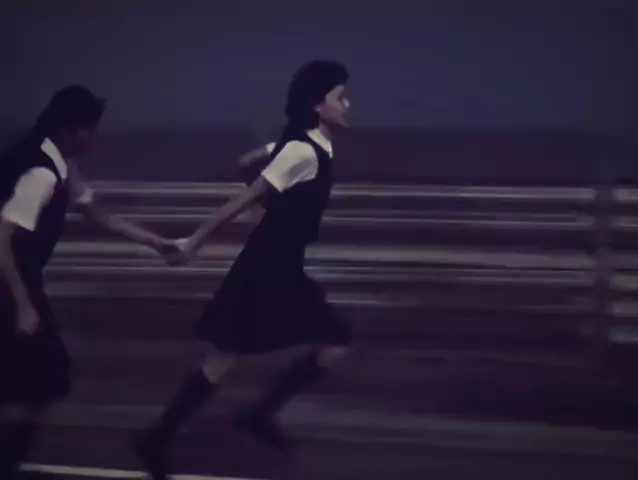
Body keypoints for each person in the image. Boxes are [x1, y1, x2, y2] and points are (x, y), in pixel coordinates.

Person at [135, 60, 352, 479]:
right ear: (316, 104)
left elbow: (252, 159)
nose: (347, 104)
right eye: (339, 97)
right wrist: (194, 241)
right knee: (320, 341)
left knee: (234, 355)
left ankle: (178, 434)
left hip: (280, 263)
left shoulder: (309, 143)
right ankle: (214, 426)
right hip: (267, 267)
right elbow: (244, 196)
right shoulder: (302, 151)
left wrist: (259, 168)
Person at [0, 86, 180, 479]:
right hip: (11, 280)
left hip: (20, 280)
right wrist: (23, 304)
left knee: (36, 380)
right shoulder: (41, 173)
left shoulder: (59, 162)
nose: (94, 138)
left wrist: (157, 243)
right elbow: (2, 238)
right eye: (89, 129)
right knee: (44, 376)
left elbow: (97, 214)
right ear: (69, 129)